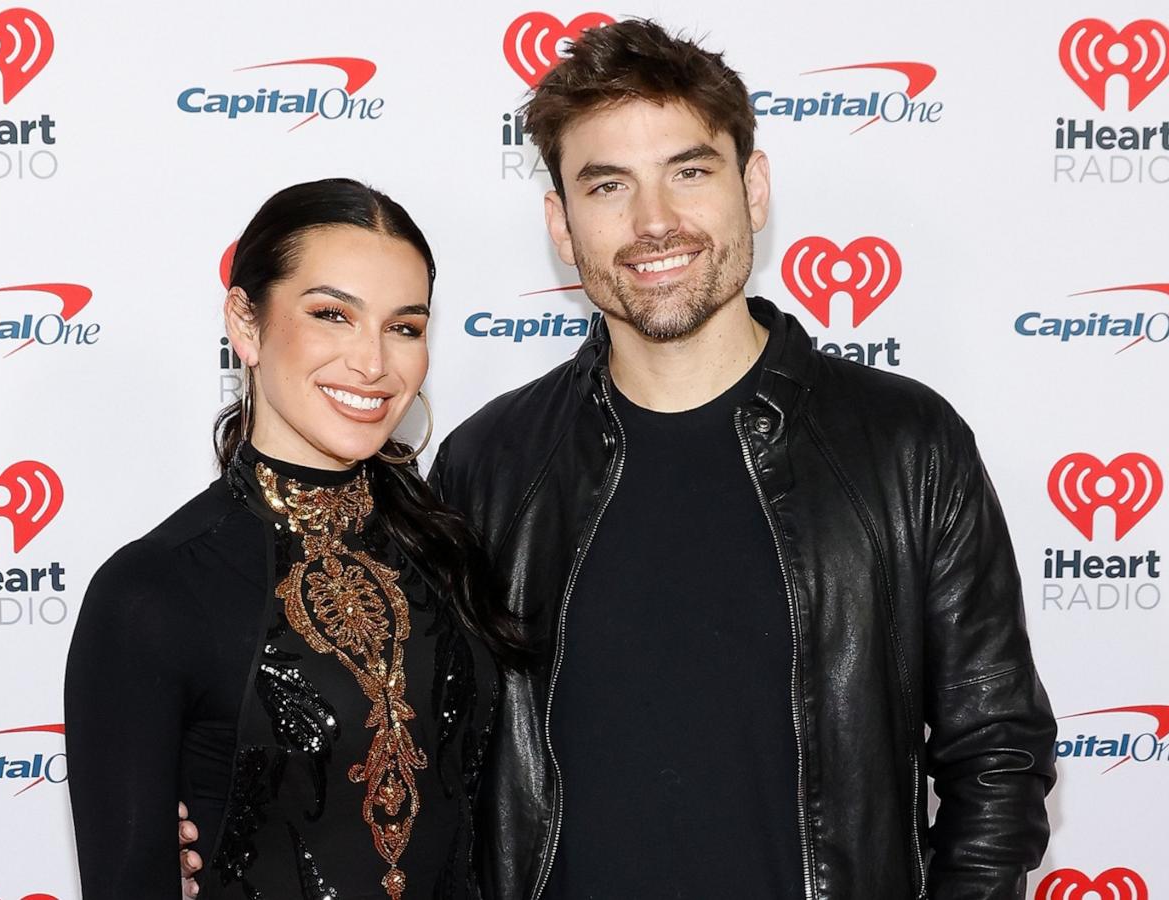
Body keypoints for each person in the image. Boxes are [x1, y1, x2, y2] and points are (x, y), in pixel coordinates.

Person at [185, 19, 1056, 900]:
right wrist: (216, 826)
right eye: (608, 186)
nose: (654, 222)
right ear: (561, 225)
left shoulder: (905, 447)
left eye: (689, 171)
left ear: (753, 187)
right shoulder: (490, 467)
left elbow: (999, 761)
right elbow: (407, 738)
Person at [66, 178, 525, 900]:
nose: (373, 363)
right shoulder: (153, 590)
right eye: (332, 315)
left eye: (404, 327)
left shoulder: (448, 550)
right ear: (246, 326)